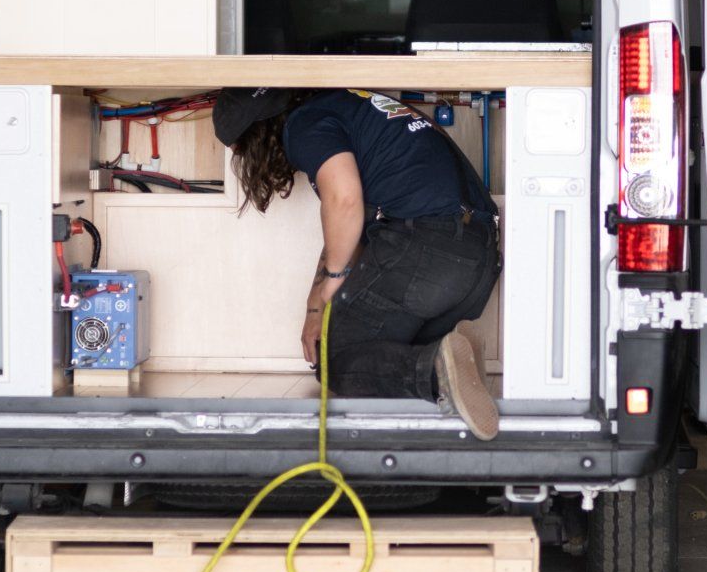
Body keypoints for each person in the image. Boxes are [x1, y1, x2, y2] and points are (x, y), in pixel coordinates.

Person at [212, 87, 501, 440]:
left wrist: (333, 280)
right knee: (385, 355)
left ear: (255, 136)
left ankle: (437, 370)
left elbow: (344, 202)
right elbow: (349, 229)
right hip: (477, 262)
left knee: (335, 358)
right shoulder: (346, 107)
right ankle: (451, 359)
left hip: (428, 252)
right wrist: (316, 307)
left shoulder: (305, 124)